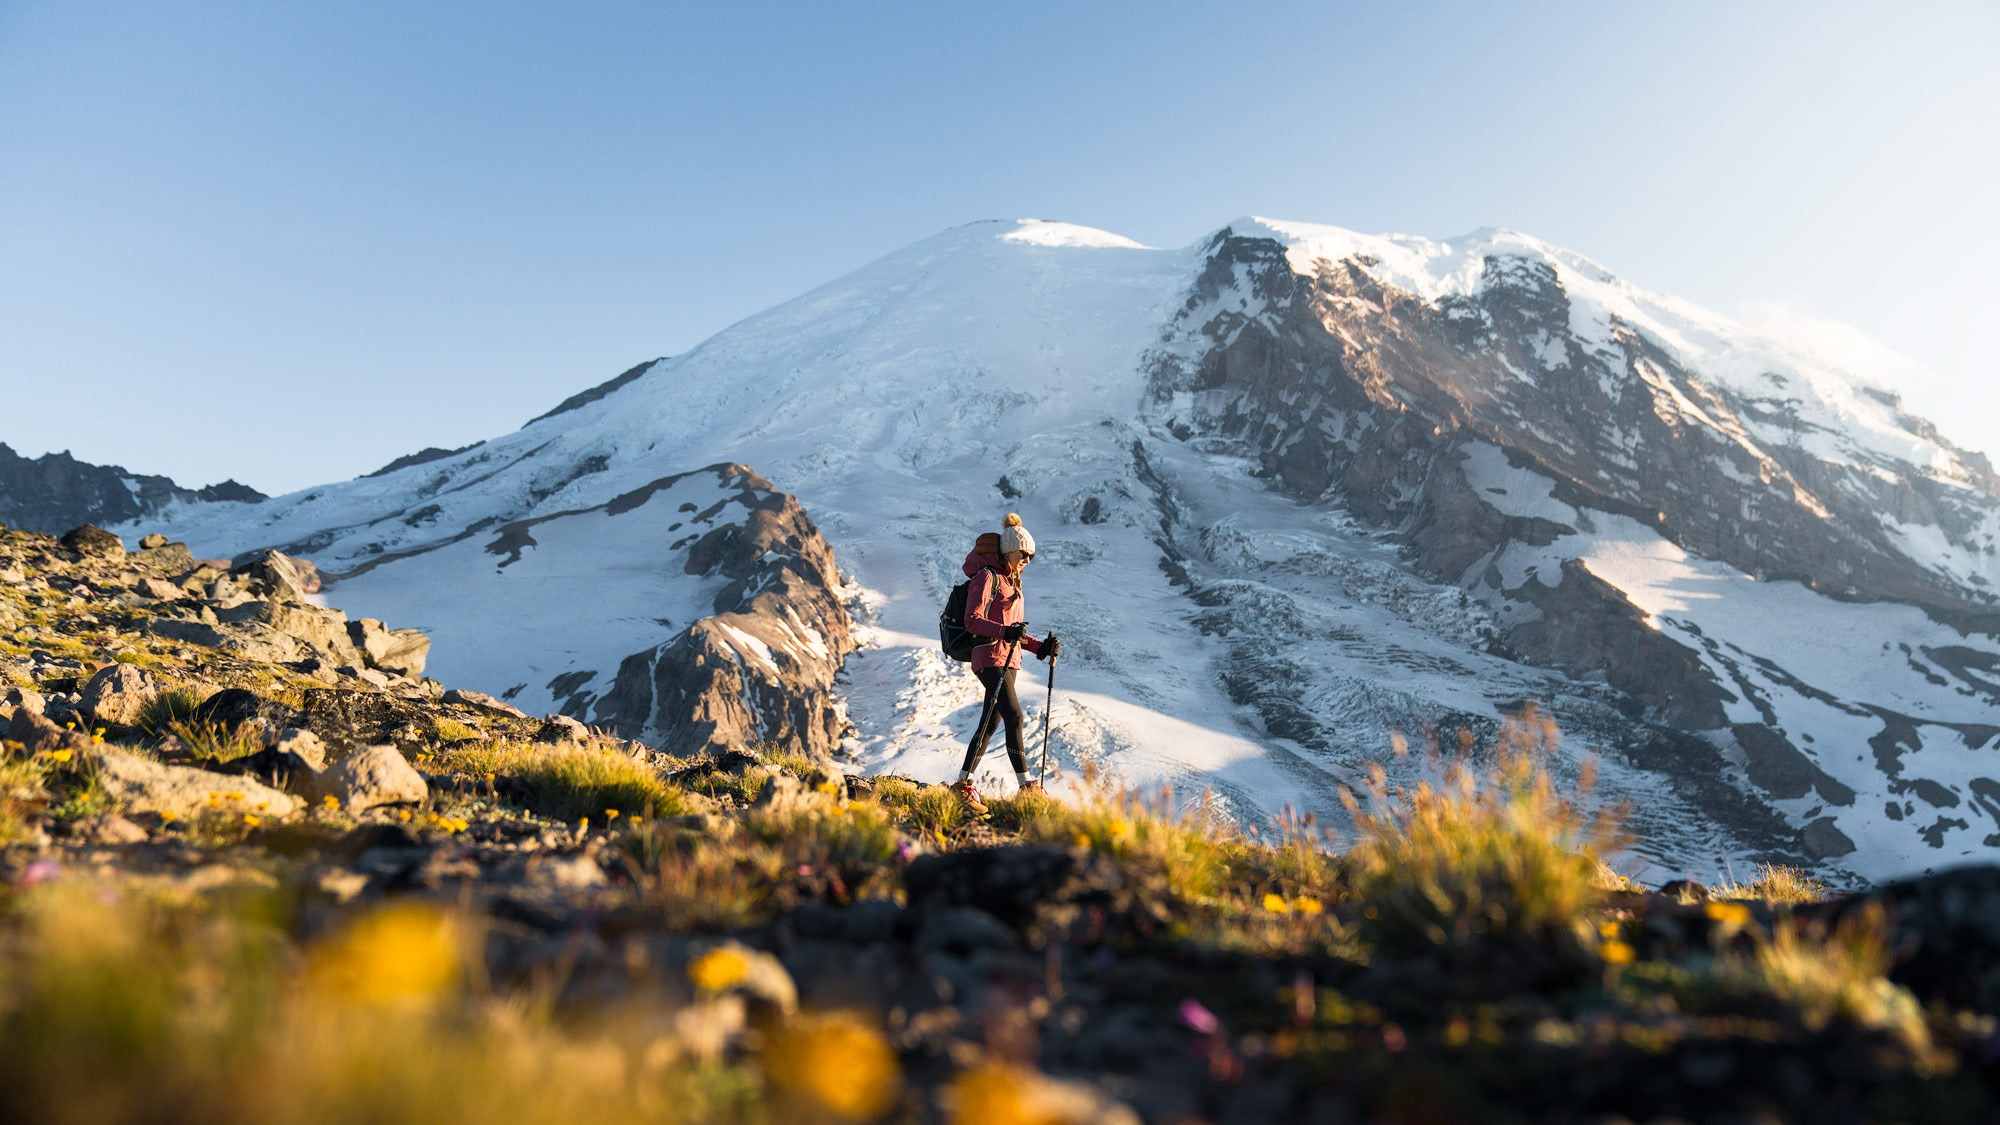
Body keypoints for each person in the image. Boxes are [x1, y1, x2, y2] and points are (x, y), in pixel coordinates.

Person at [953, 513, 1060, 813]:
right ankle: (1027, 787)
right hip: (989, 657)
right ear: (1009, 551)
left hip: (1007, 660)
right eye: (1022, 555)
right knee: (1014, 716)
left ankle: (962, 784)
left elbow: (1014, 633)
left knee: (990, 722)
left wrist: (1041, 648)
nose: (1026, 561)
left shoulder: (1012, 583)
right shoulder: (987, 577)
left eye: (1030, 557)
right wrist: (1005, 632)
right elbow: (972, 620)